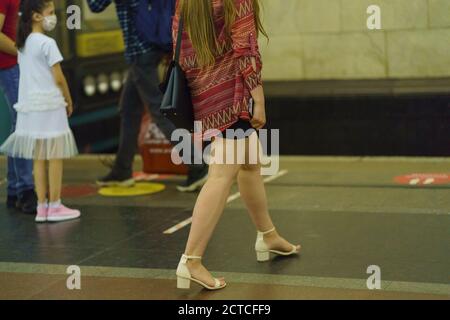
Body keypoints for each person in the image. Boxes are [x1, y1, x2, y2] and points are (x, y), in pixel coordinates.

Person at [174, 0, 301, 290]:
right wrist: (258, 97)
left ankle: (267, 235)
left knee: (249, 164)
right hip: (233, 96)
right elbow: (245, 48)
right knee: (221, 175)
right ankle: (191, 260)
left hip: (205, 94)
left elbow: (181, 48)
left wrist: (204, 88)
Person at [86, 0, 209, 192]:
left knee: (158, 111)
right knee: (129, 109)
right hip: (154, 46)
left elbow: (95, 5)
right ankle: (122, 169)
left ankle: (197, 165)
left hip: (139, 52)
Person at [0, 0, 80, 223]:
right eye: (51, 12)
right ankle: (55, 205)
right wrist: (68, 99)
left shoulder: (22, 44)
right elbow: (58, 77)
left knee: (38, 157)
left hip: (31, 108)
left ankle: (42, 207)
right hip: (51, 106)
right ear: (36, 16)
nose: (53, 17)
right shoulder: (48, 43)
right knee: (54, 155)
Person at [0, 0, 37, 214]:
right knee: (24, 122)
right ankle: (25, 189)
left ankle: (15, 189)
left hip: (14, 65)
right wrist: (22, 52)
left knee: (19, 123)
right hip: (9, 66)